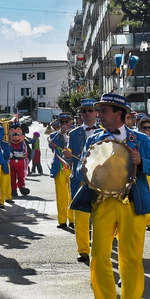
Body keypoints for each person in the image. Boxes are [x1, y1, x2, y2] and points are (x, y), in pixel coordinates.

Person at [70, 92, 150, 299]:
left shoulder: (139, 139)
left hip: (132, 203)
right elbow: (80, 172)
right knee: (99, 254)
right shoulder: (94, 140)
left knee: (131, 256)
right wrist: (89, 166)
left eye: (103, 111)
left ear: (118, 114)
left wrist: (141, 161)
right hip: (102, 203)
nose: (99, 115)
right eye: (98, 111)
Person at [66, 102, 100, 261]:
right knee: (80, 217)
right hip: (80, 179)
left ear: (96, 113)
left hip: (100, 180)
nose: (87, 113)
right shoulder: (73, 133)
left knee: (99, 215)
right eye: (83, 111)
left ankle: (100, 246)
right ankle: (83, 250)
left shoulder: (104, 132)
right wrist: (67, 155)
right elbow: (69, 159)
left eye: (90, 110)